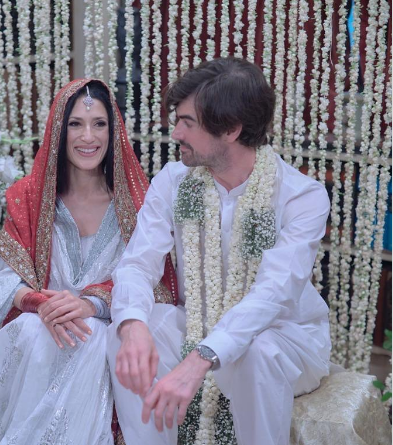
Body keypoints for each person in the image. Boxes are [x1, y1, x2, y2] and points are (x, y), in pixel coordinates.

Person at [0, 79, 178, 444]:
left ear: (113, 132)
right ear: (58, 131)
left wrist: (91, 305)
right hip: (41, 332)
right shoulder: (30, 198)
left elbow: (158, 284)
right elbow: (3, 279)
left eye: (99, 124)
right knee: (32, 330)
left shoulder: (139, 203)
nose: (88, 137)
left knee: (89, 337)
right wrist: (41, 303)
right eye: (76, 124)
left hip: (110, 332)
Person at [109, 57, 331, 445]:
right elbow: (137, 264)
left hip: (285, 338)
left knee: (258, 350)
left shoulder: (302, 196)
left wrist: (201, 357)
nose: (175, 132)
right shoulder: (174, 180)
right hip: (197, 322)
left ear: (230, 129)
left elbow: (274, 293)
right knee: (132, 330)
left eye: (187, 123)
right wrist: (132, 326)